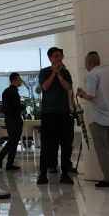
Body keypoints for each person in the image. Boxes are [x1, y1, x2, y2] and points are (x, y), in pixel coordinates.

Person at [77, 52, 109, 188]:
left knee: (102, 149)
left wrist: (82, 94)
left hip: (98, 118)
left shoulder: (92, 75)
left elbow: (91, 96)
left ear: (88, 63)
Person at [37, 48, 74, 185]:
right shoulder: (44, 72)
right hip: (48, 113)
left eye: (61, 56)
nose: (59, 58)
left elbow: (67, 87)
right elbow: (45, 87)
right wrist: (53, 72)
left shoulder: (65, 73)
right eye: (56, 56)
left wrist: (59, 73)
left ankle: (65, 173)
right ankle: (42, 173)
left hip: (63, 113)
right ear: (50, 58)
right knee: (47, 144)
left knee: (66, 144)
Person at [0, 73, 24, 171]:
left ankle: (7, 161)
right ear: (14, 81)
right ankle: (5, 160)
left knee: (12, 140)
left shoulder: (5, 92)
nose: (20, 81)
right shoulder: (14, 92)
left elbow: (6, 107)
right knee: (13, 141)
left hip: (8, 119)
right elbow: (16, 107)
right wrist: (23, 106)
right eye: (19, 79)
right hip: (14, 119)